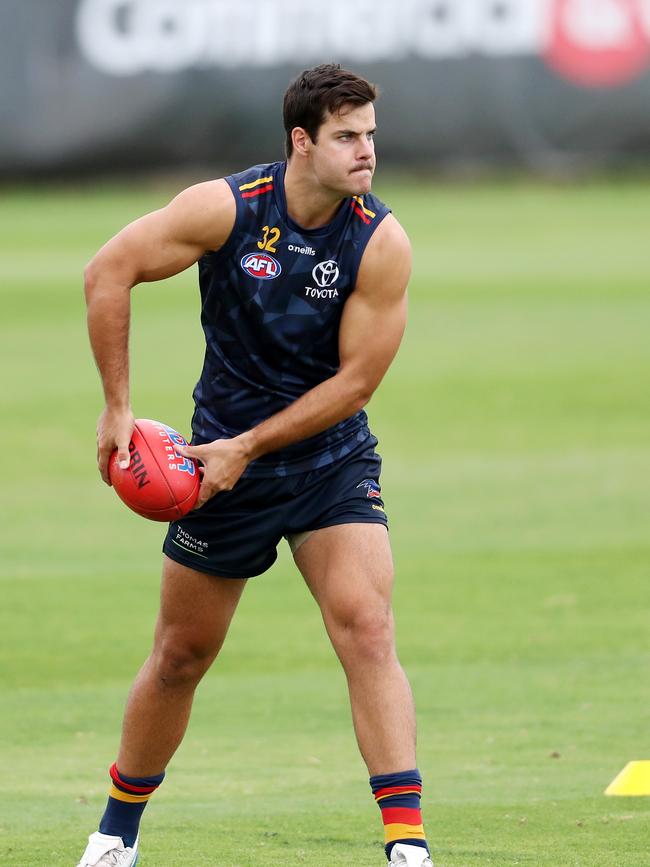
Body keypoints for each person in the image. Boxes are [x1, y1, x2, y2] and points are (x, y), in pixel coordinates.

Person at [78, 64, 432, 867]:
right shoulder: (229, 208)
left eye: (371, 135)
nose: (366, 151)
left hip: (327, 462)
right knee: (180, 656)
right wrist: (118, 406)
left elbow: (357, 382)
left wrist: (252, 446)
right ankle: (114, 836)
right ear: (301, 141)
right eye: (347, 136)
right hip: (213, 467)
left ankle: (406, 846)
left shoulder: (379, 238)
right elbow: (109, 270)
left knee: (368, 627)